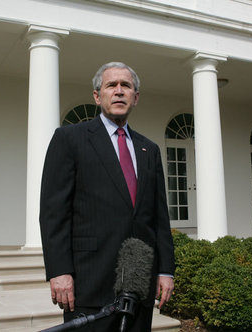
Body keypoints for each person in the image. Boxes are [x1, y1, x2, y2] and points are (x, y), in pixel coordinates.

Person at [39, 62, 175, 331]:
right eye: (111, 85)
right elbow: (53, 211)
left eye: (126, 86)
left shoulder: (150, 149)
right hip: (88, 282)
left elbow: (159, 216)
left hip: (139, 282)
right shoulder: (70, 139)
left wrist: (166, 270)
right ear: (97, 95)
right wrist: (59, 271)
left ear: (135, 97)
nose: (119, 91)